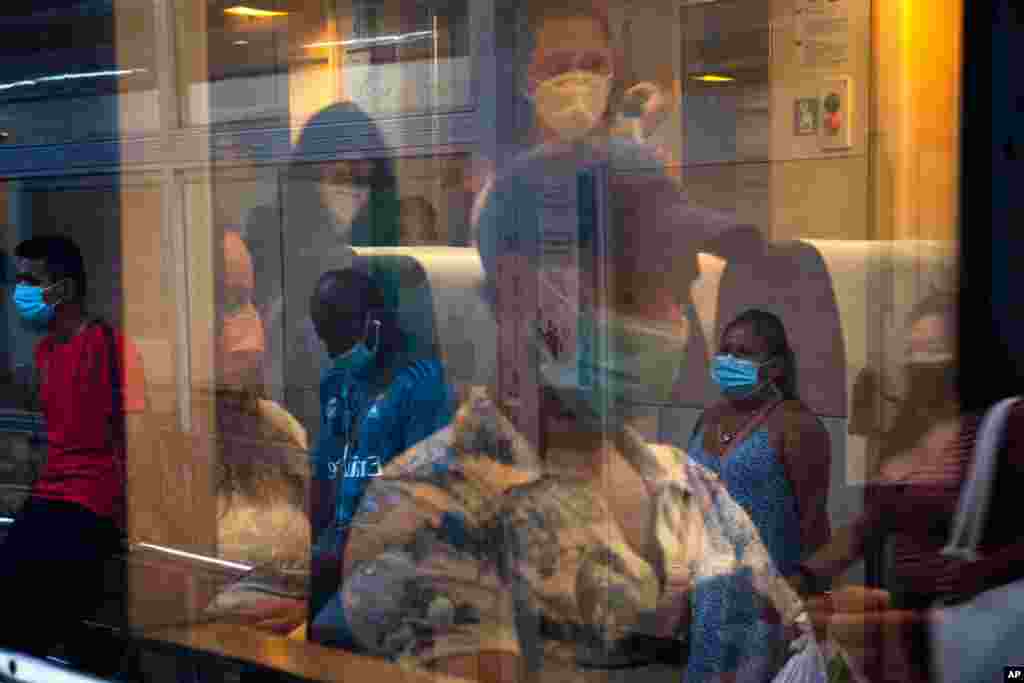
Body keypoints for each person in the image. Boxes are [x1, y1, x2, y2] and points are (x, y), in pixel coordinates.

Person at [325, 3, 811, 682]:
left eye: (680, 281)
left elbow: (801, 654)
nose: (676, 315)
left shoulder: (696, 496)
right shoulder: (429, 514)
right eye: (648, 281)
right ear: (534, 299)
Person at [0, 235, 147, 673]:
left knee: (25, 629)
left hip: (88, 507)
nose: (19, 291)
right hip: (51, 501)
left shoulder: (110, 347)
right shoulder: (46, 352)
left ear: (62, 290)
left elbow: (142, 437)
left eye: (30, 280)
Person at [307, 266, 456, 646]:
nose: (331, 350)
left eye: (339, 336)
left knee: (330, 633)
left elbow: (420, 499)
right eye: (324, 338)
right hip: (332, 545)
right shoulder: (337, 382)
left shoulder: (421, 384)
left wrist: (352, 552)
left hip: (389, 553)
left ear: (372, 322)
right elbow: (326, 471)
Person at [687, 309, 832, 679]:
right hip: (708, 605)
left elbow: (815, 524)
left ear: (776, 366)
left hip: (767, 610)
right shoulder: (708, 418)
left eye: (744, 353)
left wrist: (811, 605)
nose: (730, 361)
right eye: (726, 350)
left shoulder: (796, 426)